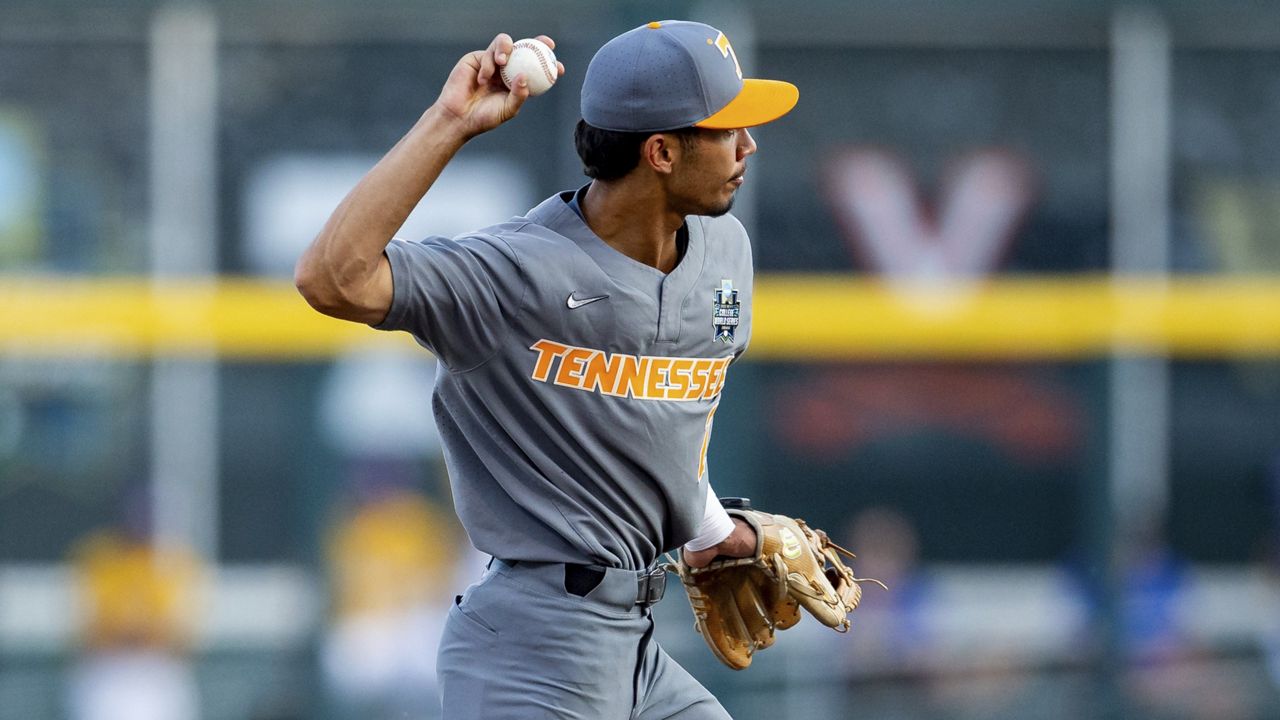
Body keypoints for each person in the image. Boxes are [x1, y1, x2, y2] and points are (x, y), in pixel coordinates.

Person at [295, 20, 798, 719]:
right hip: (529, 648)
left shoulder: (724, 254)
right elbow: (331, 278)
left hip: (639, 648)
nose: (749, 144)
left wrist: (713, 533)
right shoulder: (515, 273)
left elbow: (653, 429)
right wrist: (450, 123)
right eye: (727, 129)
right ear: (660, 151)